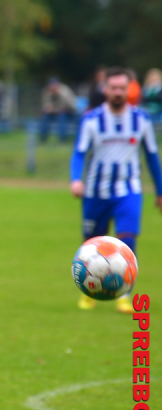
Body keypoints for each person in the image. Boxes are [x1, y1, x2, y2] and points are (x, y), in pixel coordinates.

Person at [70, 67, 162, 313]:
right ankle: (89, 291)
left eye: (123, 88)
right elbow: (79, 153)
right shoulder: (91, 119)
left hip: (128, 190)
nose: (118, 92)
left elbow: (152, 157)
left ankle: (124, 294)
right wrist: (75, 179)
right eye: (114, 88)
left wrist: (160, 191)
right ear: (106, 89)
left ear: (129, 89)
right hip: (95, 191)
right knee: (92, 243)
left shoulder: (141, 120)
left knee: (128, 239)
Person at [39, 77, 77, 142]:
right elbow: (45, 104)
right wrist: (48, 108)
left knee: (61, 116)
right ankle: (42, 138)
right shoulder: (47, 92)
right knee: (45, 116)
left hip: (67, 113)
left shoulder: (65, 91)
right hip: (53, 113)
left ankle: (62, 139)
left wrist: (60, 94)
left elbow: (72, 105)